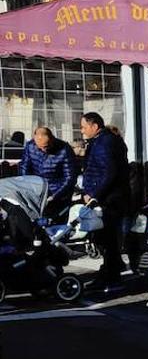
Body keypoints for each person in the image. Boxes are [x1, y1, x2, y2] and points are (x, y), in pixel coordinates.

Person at [79, 112, 132, 291]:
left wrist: (94, 194)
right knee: (105, 238)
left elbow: (109, 172)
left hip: (110, 199)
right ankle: (110, 271)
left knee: (108, 238)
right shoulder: (101, 141)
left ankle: (112, 276)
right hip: (107, 197)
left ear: (94, 126)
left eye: (84, 126)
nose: (82, 130)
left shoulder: (105, 143)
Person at [18, 127, 78, 219]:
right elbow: (24, 168)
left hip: (58, 192)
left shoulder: (64, 149)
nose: (44, 150)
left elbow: (70, 177)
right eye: (40, 148)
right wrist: (28, 188)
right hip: (37, 189)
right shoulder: (30, 146)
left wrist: (55, 195)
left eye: (46, 146)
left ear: (52, 139)